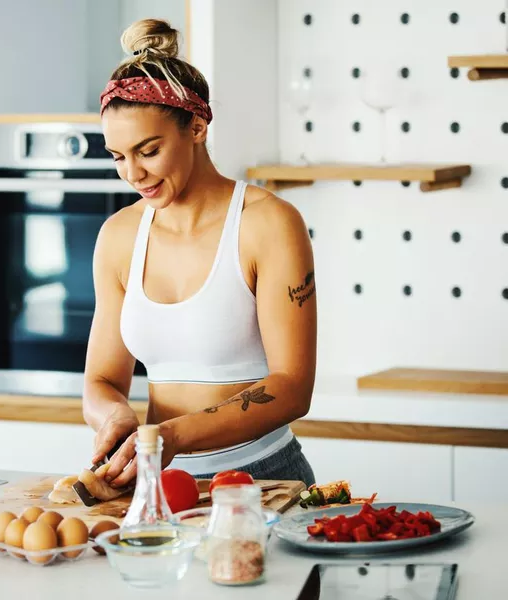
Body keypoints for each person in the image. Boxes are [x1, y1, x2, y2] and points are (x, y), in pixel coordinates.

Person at [82, 19, 317, 489]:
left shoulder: (268, 223)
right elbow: (102, 380)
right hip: (157, 481)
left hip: (261, 478)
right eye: (117, 156)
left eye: (148, 150)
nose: (132, 173)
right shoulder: (119, 236)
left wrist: (174, 436)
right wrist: (114, 418)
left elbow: (293, 387)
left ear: (197, 126)